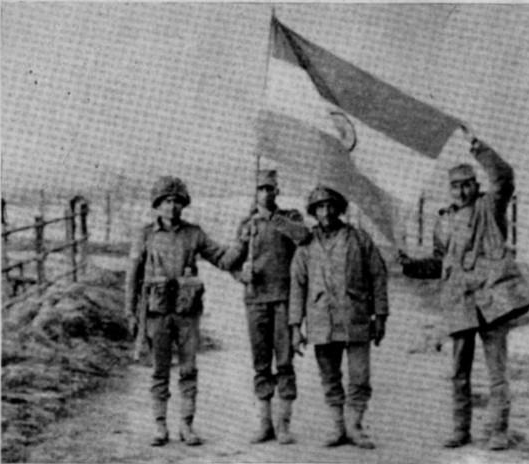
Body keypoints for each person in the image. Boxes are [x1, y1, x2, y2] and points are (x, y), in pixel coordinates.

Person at [398, 124, 529, 451]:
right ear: (449, 190)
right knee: (459, 372)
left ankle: (498, 430)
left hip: (493, 300)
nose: (460, 192)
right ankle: (461, 430)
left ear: (476, 185)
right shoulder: (443, 220)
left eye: (466, 185)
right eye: (455, 187)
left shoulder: (491, 207)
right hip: (459, 303)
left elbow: (505, 177)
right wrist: (410, 265)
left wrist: (478, 146)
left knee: (497, 372)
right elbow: (438, 262)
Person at [124, 176, 235, 447]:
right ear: (157, 204)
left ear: (183, 204)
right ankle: (160, 426)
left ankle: (186, 425)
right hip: (157, 312)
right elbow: (133, 274)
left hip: (187, 314)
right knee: (160, 370)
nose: (172, 207)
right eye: (166, 201)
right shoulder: (145, 235)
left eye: (176, 201)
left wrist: (242, 245)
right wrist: (129, 310)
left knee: (188, 369)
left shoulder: (193, 234)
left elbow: (221, 257)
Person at [289, 185, 389, 449]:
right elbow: (297, 285)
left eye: (331, 205)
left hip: (355, 317)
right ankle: (337, 426)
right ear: (313, 211)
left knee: (360, 376)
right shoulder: (306, 245)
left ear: (340, 208)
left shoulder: (359, 239)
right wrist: (295, 326)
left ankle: (355, 426)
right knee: (329, 376)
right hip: (321, 320)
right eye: (320, 207)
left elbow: (378, 275)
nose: (326, 212)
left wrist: (380, 315)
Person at [228, 169, 310, 445]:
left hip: (284, 300)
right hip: (255, 300)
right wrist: (241, 275)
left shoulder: (290, 217)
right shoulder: (246, 224)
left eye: (271, 189)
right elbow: (230, 261)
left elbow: (303, 236)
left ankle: (283, 425)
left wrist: (273, 218)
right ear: (255, 192)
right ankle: (265, 424)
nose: (266, 193)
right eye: (261, 188)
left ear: (278, 191)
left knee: (285, 362)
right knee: (261, 363)